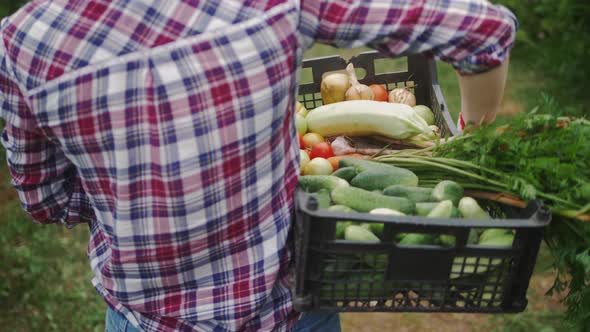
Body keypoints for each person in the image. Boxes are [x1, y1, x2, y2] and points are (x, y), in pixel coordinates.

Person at [0, 1, 516, 331]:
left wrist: (133, 194)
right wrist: (471, 142)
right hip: (289, 310)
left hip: (146, 319)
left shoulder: (23, 41)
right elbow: (484, 30)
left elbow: (46, 201)